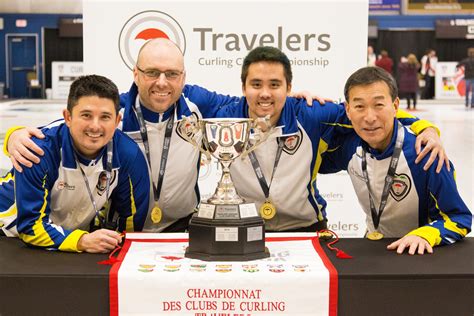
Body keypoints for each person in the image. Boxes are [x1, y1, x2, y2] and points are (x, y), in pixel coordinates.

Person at [5, 42, 446, 232]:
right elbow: (78, 124)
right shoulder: (117, 111)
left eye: (172, 74)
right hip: (133, 231)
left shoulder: (299, 113)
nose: (162, 83)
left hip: (261, 227)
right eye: (152, 73)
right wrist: (12, 135)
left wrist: (428, 128)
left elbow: (372, 119)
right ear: (135, 74)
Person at [185, 47, 446, 232]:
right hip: (242, 229)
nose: (265, 93)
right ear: (243, 87)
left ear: (289, 88)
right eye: (256, 84)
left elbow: (367, 111)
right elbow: (170, 85)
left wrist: (426, 128)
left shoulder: (311, 114)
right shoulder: (223, 114)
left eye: (275, 85)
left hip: (307, 230)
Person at [320, 66, 471, 254]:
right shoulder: (350, 145)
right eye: (359, 106)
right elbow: (309, 162)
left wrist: (424, 235)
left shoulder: (425, 154)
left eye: (379, 105)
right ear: (348, 110)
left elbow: (460, 218)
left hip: (417, 255)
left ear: (395, 106)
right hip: (372, 250)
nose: (369, 117)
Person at [0, 75, 150, 253]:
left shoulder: (129, 155)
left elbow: (130, 225)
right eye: (86, 115)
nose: (95, 126)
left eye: (105, 117)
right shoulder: (39, 151)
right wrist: (82, 241)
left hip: (65, 239)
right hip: (9, 234)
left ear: (117, 121)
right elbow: (30, 226)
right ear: (68, 117)